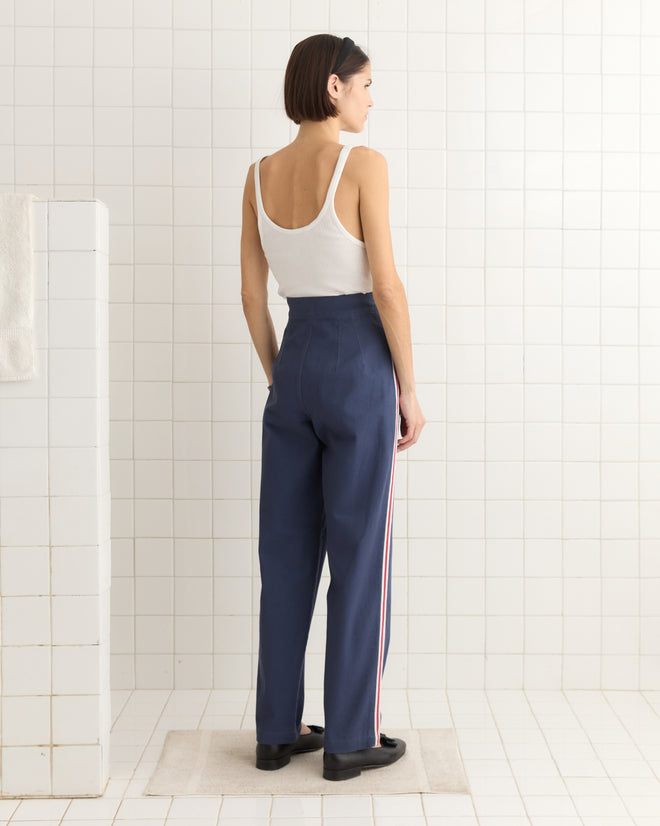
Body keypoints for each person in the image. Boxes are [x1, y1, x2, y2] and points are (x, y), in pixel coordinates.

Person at [240, 33, 426, 781]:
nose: (372, 99)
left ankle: (277, 731)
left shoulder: (258, 175)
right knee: (360, 555)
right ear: (333, 88)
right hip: (356, 359)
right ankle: (352, 736)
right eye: (366, 84)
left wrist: (281, 377)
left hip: (295, 358)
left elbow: (252, 296)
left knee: (285, 555)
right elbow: (387, 286)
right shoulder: (362, 165)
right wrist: (407, 386)